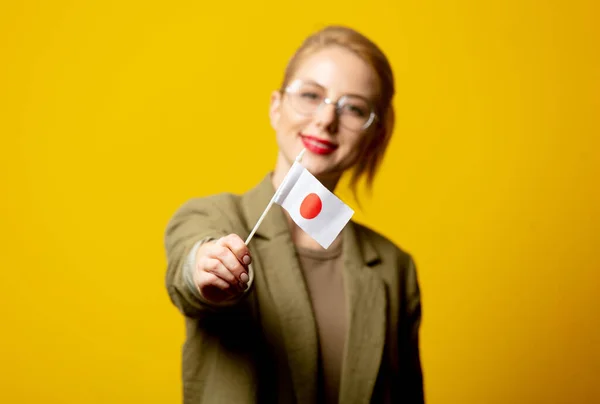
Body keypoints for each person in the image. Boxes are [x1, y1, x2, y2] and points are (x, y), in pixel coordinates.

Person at [164, 25, 424, 404]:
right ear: (276, 106)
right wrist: (205, 266)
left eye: (353, 108)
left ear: (376, 135)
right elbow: (189, 269)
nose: (325, 120)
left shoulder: (394, 268)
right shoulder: (214, 216)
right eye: (310, 95)